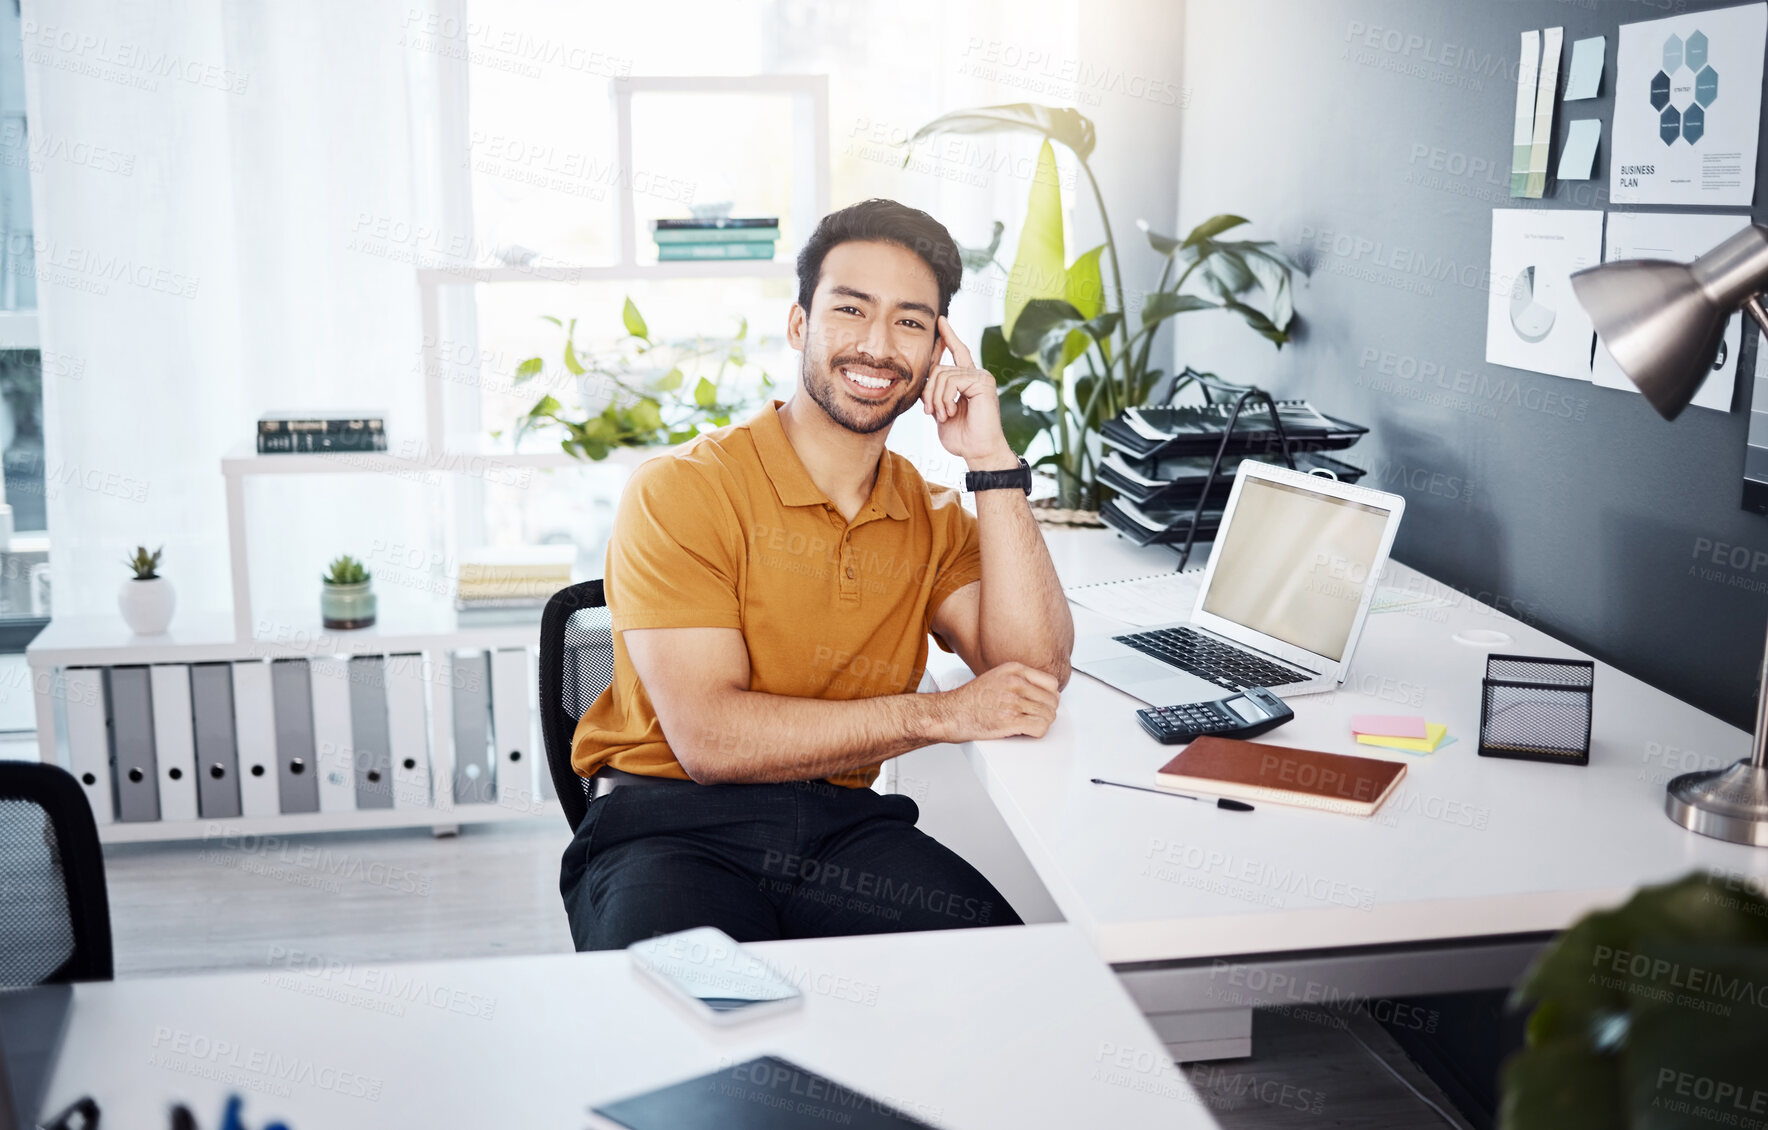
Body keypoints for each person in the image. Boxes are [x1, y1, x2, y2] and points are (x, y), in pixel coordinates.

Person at [559, 198, 1074, 950]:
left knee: (1005, 979)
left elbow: (1030, 677)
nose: (876, 345)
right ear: (799, 324)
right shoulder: (682, 489)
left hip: (841, 832)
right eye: (850, 310)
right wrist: (940, 714)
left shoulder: (929, 514)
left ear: (938, 353)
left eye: (910, 322)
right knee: (704, 1036)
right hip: (669, 828)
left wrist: (993, 464)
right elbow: (709, 738)